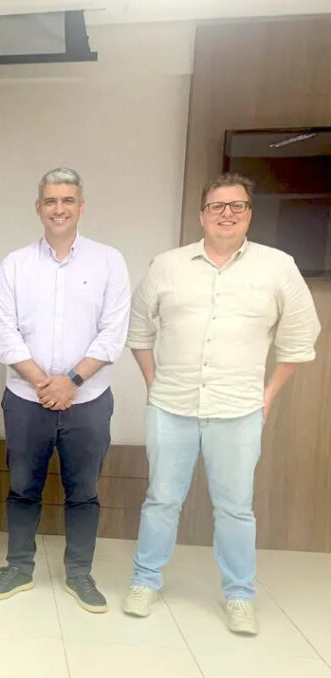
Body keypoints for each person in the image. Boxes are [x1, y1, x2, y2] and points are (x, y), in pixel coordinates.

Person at [123, 172, 320, 635]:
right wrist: (153, 384)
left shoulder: (278, 267)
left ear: (249, 213)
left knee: (235, 509)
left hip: (238, 410)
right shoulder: (166, 265)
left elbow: (300, 340)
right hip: (170, 407)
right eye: (217, 206)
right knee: (161, 500)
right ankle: (145, 581)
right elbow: (138, 331)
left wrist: (267, 396)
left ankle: (239, 594)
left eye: (237, 206)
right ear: (202, 214)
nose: (226, 214)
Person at [0, 167, 130, 612]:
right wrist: (44, 384)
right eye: (50, 201)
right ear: (38, 208)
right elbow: (5, 334)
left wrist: (71, 381)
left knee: (83, 491)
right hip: (26, 399)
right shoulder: (16, 264)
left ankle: (80, 574)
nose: (59, 208)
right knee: (22, 488)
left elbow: (112, 333)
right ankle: (18, 568)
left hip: (88, 400)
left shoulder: (108, 261)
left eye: (67, 200)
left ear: (81, 207)